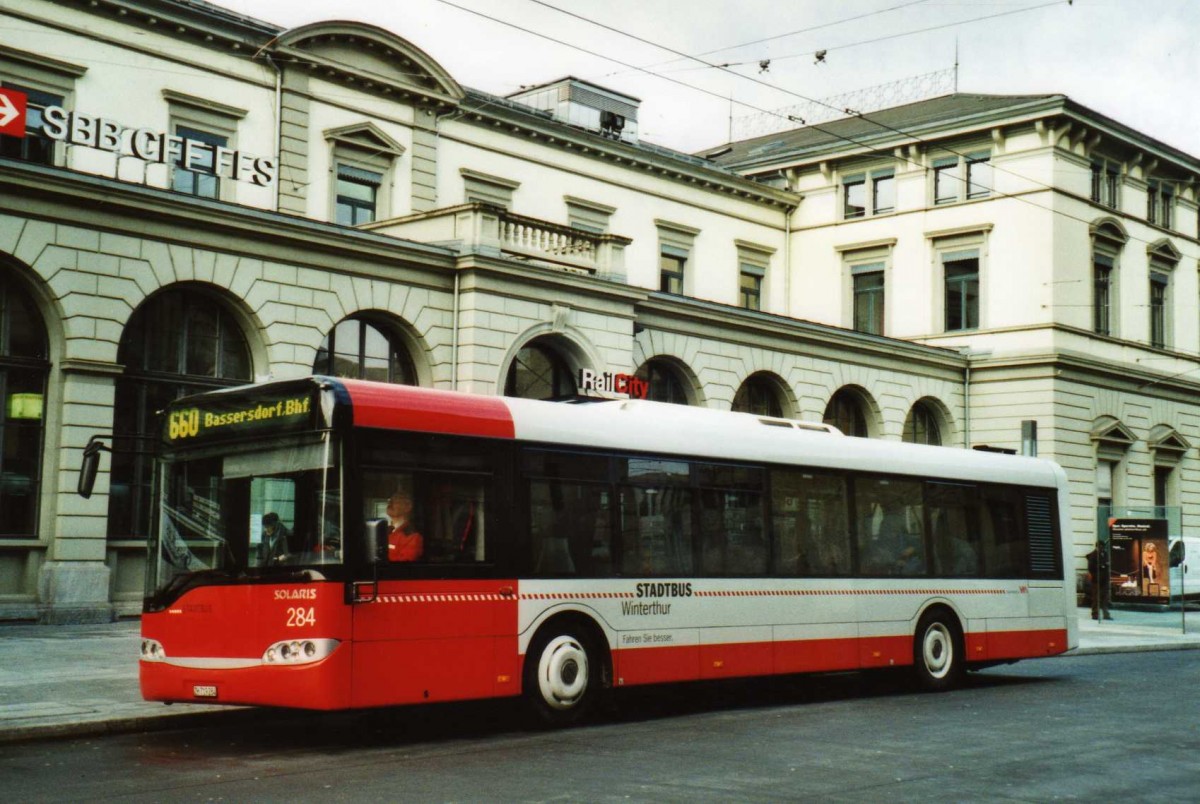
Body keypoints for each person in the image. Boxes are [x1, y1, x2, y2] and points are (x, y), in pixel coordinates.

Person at [386, 490, 424, 562]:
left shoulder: (413, 537)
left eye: (397, 500)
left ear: (408, 507)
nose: (390, 503)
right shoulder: (386, 531)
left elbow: (403, 567)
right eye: (390, 500)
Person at [1087, 542, 1112, 620]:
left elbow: (1107, 563)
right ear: (1098, 547)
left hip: (1104, 579)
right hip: (1096, 580)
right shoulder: (1093, 555)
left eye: (1103, 547)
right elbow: (1091, 567)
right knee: (1096, 598)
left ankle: (1106, 614)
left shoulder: (1105, 553)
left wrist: (1105, 565)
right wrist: (1102, 566)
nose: (1102, 549)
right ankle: (1095, 614)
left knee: (1105, 598)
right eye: (1101, 547)